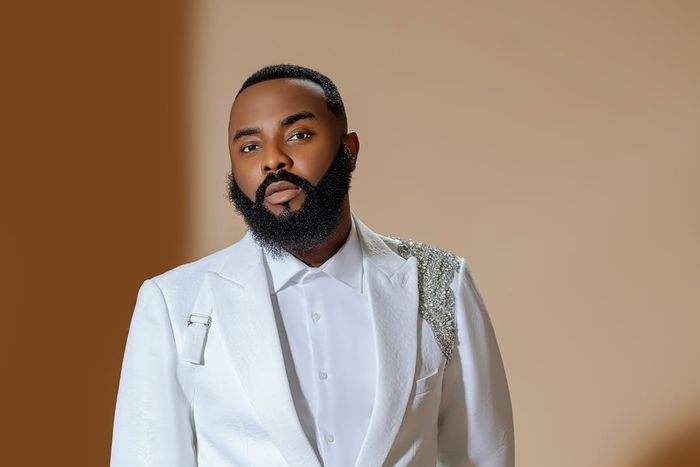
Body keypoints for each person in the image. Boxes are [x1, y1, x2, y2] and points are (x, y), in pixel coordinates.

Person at [110, 64, 514, 467]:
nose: (273, 160)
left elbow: (483, 457)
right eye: (249, 147)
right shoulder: (173, 302)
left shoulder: (441, 282)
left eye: (298, 135)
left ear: (349, 150)